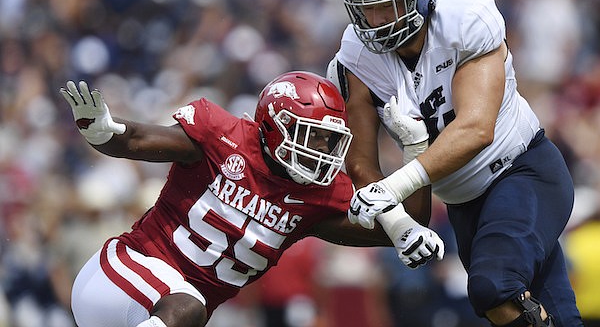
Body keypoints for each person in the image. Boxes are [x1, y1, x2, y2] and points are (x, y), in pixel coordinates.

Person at [326, 0, 583, 327]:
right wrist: (400, 226)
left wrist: (395, 186)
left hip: (521, 172)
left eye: (387, 7)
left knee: (493, 287)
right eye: (366, 11)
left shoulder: (465, 20)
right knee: (543, 312)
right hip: (464, 202)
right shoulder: (354, 59)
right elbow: (361, 164)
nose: (374, 22)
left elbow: (476, 129)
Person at [60, 71, 444, 327]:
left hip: (170, 316)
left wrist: (415, 149)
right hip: (119, 278)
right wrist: (104, 132)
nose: (322, 149)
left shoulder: (316, 196)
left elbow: (404, 225)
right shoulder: (221, 137)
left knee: (188, 308)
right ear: (275, 127)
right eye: (312, 135)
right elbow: (135, 140)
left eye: (328, 139)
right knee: (187, 305)